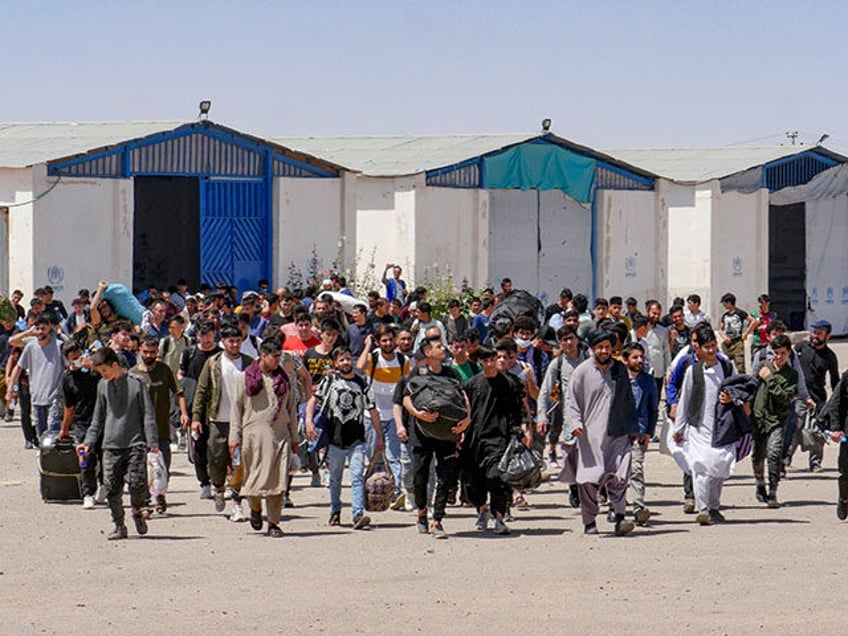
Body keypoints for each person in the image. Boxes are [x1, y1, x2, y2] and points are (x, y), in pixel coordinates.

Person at [78, 347, 160, 540]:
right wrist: (88, 442)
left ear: (115, 365)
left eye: (105, 371)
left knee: (137, 483)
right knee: (112, 487)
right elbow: (98, 418)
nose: (103, 375)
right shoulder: (102, 386)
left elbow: (148, 413)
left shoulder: (137, 383)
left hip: (135, 442)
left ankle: (138, 511)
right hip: (110, 445)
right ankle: (119, 525)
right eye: (100, 373)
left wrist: (152, 441)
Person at [563, 329, 639, 536]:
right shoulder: (581, 372)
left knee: (621, 474)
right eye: (600, 347)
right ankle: (589, 520)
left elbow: (627, 399)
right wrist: (575, 424)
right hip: (590, 436)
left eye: (608, 347)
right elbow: (571, 402)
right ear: (592, 349)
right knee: (589, 479)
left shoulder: (619, 370)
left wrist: (633, 427)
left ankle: (620, 517)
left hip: (618, 433)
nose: (605, 351)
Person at [306, 345, 383, 529]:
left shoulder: (362, 383)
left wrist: (379, 436)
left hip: (357, 439)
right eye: (342, 359)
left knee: (357, 476)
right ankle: (335, 510)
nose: (346, 362)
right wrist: (309, 421)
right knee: (335, 478)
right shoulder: (329, 381)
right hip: (334, 439)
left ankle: (357, 514)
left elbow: (372, 410)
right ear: (336, 363)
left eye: (348, 358)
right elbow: (313, 400)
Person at [402, 338, 470, 539]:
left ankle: (437, 520)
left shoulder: (452, 373)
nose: (444, 349)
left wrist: (466, 419)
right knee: (420, 475)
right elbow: (406, 398)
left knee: (445, 476)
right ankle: (421, 512)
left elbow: (463, 397)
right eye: (438, 346)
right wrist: (418, 413)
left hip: (448, 432)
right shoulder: (417, 373)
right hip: (422, 432)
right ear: (427, 352)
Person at [229, 339, 298, 538]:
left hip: (280, 437)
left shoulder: (284, 379)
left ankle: (274, 523)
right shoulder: (245, 378)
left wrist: (294, 436)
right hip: (253, 439)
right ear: (263, 356)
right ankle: (256, 509)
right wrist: (234, 436)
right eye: (274, 357)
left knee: (279, 483)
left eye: (280, 356)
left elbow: (291, 409)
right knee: (253, 482)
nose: (278, 360)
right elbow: (236, 409)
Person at [673, 324, 740, 526]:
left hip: (723, 425)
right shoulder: (693, 372)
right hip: (698, 427)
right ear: (698, 349)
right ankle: (703, 509)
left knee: (719, 467)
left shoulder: (728, 367)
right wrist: (679, 428)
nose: (711, 351)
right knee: (700, 467)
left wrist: (732, 399)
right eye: (707, 347)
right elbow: (684, 401)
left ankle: (714, 507)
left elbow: (741, 390)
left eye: (713, 346)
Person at [191, 325, 254, 521]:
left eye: (237, 341)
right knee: (216, 460)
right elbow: (201, 391)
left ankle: (237, 503)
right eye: (230, 341)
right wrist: (195, 418)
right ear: (223, 342)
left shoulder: (250, 363)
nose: (234, 344)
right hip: (218, 420)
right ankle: (218, 487)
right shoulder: (213, 363)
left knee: (240, 463)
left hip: (242, 422)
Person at [462, 345, 522, 536]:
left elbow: (516, 411)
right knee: (473, 483)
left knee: (497, 478)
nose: (490, 364)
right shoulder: (471, 385)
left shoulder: (508, 384)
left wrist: (523, 430)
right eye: (485, 360)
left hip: (499, 439)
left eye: (492, 359)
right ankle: (481, 509)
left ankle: (499, 519)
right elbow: (464, 412)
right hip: (474, 441)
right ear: (480, 362)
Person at [132, 336, 190, 513]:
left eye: (152, 352)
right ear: (140, 351)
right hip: (140, 429)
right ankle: (146, 502)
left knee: (163, 465)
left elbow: (178, 392)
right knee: (142, 467)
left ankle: (160, 494)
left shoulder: (164, 371)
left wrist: (184, 413)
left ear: (157, 352)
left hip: (162, 428)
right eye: (146, 352)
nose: (149, 355)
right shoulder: (133, 373)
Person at [356, 325, 410, 509]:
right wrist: (367, 346)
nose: (387, 344)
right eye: (383, 340)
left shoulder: (403, 361)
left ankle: (395, 493)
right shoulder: (374, 357)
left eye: (390, 340)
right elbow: (360, 366)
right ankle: (373, 493)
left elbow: (408, 387)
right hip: (373, 416)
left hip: (395, 416)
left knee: (394, 456)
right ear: (379, 342)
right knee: (373, 455)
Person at [750, 334, 798, 508]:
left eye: (782, 353)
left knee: (774, 453)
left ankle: (773, 491)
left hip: (777, 419)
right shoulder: (763, 366)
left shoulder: (791, 375)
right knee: (757, 454)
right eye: (776, 353)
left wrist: (769, 379)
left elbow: (785, 397)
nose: (779, 357)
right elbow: (751, 386)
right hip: (758, 417)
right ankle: (760, 484)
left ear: (788, 353)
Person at [788, 319, 840, 471]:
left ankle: (815, 462)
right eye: (814, 332)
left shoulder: (830, 356)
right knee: (795, 428)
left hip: (818, 399)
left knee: (818, 432)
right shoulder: (801, 347)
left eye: (819, 333)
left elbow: (835, 381)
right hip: (798, 396)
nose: (815, 335)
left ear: (827, 336)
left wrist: (833, 404)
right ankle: (786, 457)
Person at [58, 340, 103, 509]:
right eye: (73, 358)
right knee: (86, 458)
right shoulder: (68, 379)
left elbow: (107, 375)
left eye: (79, 356)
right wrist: (65, 429)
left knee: (104, 456)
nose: (77, 360)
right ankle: (88, 493)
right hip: (82, 423)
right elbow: (69, 407)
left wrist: (92, 365)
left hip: (101, 419)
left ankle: (104, 486)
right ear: (67, 359)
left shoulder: (92, 371)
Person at [179, 321, 221, 499]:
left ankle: (218, 480)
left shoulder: (220, 354)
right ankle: (204, 482)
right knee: (198, 448)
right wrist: (184, 411)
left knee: (217, 447)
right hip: (195, 408)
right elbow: (181, 376)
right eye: (202, 335)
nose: (206, 339)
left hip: (217, 407)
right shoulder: (189, 353)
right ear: (196, 336)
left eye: (209, 334)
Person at [537, 325, 587, 471]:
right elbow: (545, 391)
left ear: (577, 339)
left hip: (591, 415)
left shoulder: (590, 360)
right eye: (565, 340)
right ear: (560, 343)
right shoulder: (557, 364)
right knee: (571, 456)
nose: (569, 343)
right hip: (570, 417)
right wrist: (542, 417)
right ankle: (574, 490)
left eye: (571, 338)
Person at [5, 314, 64, 437]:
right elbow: (19, 366)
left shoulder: (59, 345)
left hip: (55, 396)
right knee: (41, 432)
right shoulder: (31, 346)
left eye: (43, 328)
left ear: (50, 327)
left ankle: (52, 454)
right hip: (37, 395)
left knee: (53, 430)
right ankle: (43, 453)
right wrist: (10, 388)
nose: (40, 332)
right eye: (37, 329)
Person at [622, 342, 658, 524]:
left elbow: (653, 409)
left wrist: (648, 433)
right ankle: (617, 506)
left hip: (638, 431)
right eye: (635, 357)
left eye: (641, 357)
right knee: (617, 473)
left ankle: (638, 506)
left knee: (636, 469)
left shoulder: (648, 381)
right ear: (625, 359)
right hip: (617, 433)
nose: (639, 361)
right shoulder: (616, 380)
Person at [718, 293, 751, 373]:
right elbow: (720, 329)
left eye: (724, 303)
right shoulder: (725, 315)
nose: (724, 305)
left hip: (737, 343)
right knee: (724, 365)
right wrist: (724, 337)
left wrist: (746, 333)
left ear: (729, 302)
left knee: (740, 366)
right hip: (727, 343)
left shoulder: (740, 313)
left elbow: (753, 321)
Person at [745, 294, 777, 358]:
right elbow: (749, 328)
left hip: (768, 343)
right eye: (759, 303)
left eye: (762, 303)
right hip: (757, 343)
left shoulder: (773, 315)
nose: (760, 305)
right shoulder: (755, 315)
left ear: (768, 303)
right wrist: (756, 324)